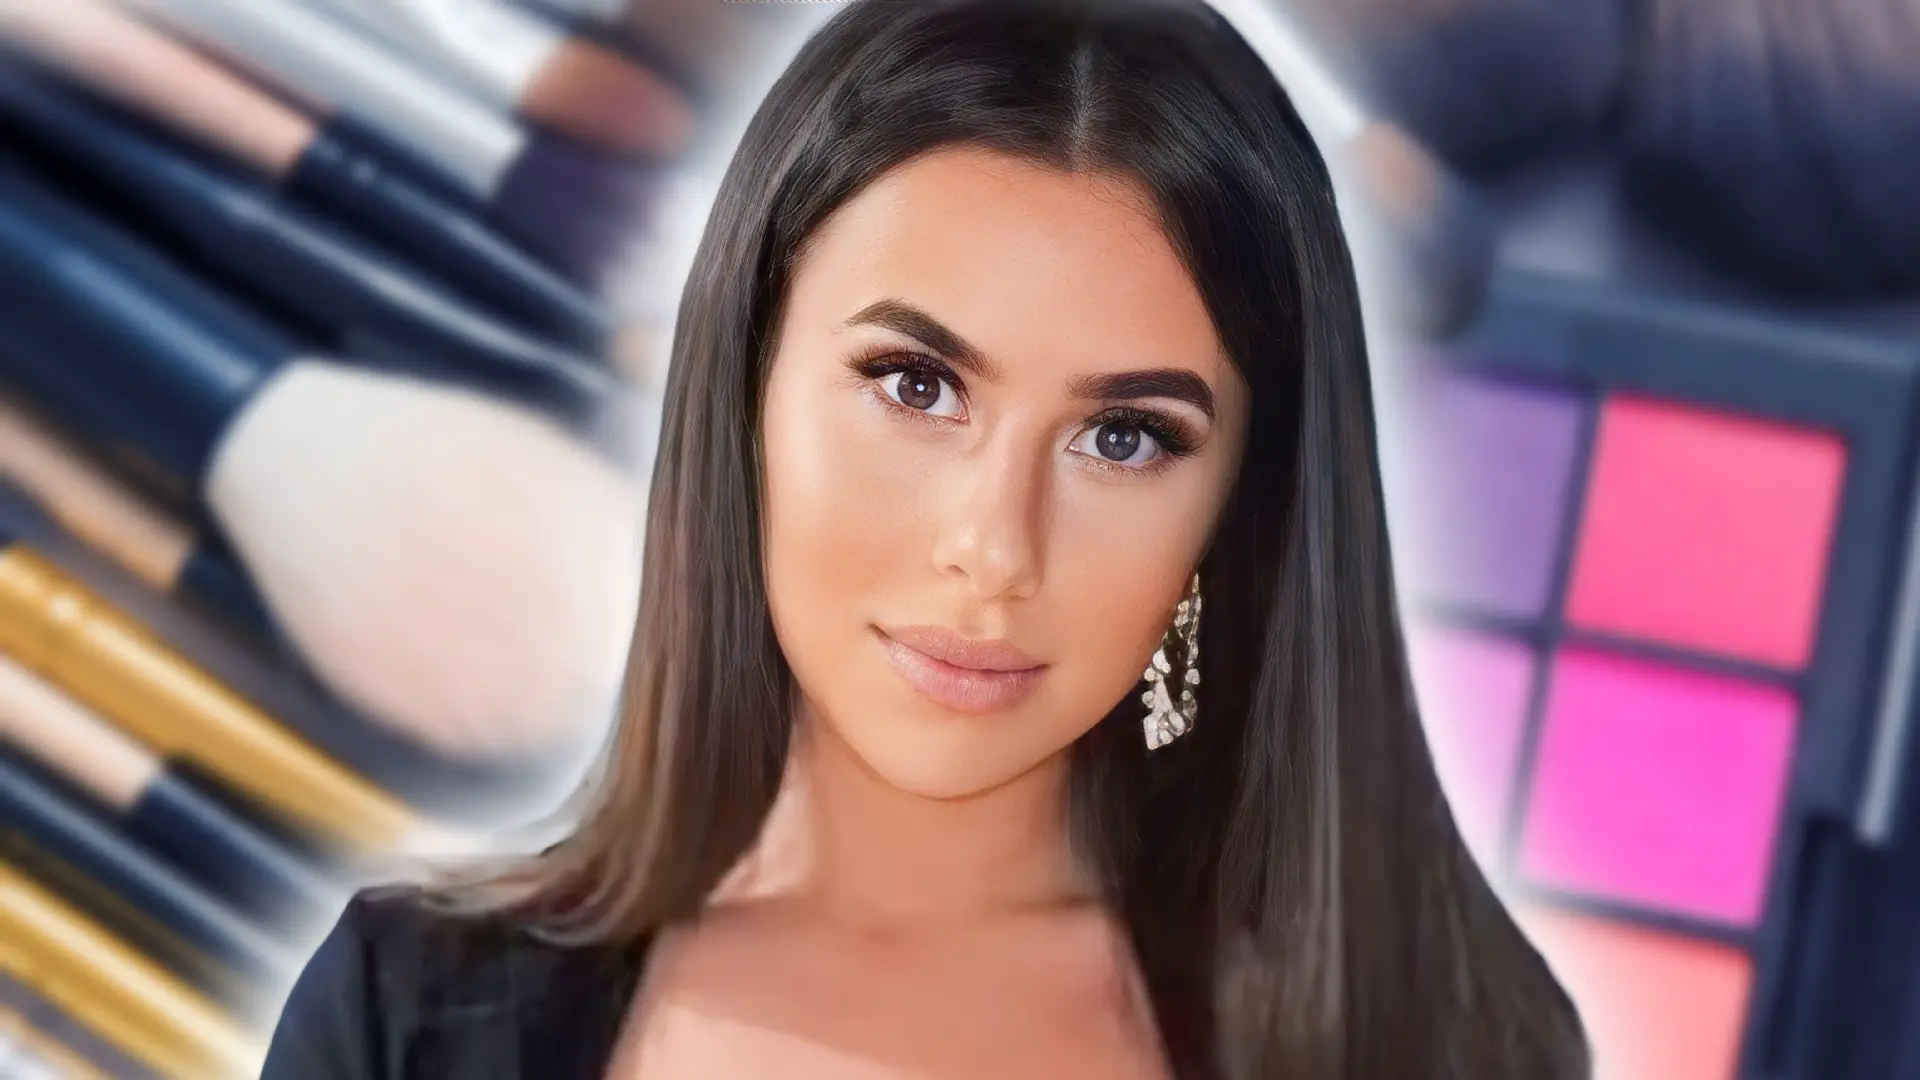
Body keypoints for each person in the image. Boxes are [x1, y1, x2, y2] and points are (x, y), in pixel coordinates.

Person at [259, 1, 1589, 1076]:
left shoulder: (1439, 1044)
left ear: (1242, 506)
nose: (993, 548)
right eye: (916, 385)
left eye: (1125, 439)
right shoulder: (410, 1010)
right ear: (742, 386)